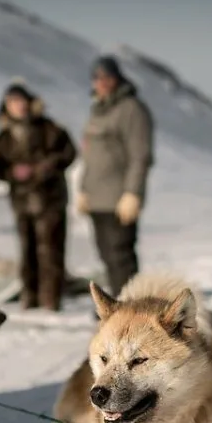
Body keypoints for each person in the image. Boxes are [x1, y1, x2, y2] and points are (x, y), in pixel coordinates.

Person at [0, 83, 77, 311]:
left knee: (51, 250)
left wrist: (43, 168)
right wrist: (12, 173)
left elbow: (68, 153)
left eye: (21, 101)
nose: (18, 106)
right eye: (12, 102)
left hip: (51, 200)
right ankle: (30, 297)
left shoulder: (49, 128)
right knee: (27, 251)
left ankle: (51, 299)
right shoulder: (5, 137)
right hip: (22, 202)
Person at [77, 55, 154, 296]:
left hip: (119, 198)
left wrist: (133, 192)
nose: (101, 82)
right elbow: (91, 154)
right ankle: (115, 305)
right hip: (96, 198)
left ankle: (131, 304)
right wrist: (83, 189)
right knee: (106, 255)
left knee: (121, 255)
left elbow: (140, 155)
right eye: (97, 78)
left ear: (117, 78)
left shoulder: (131, 109)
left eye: (107, 77)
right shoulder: (98, 110)